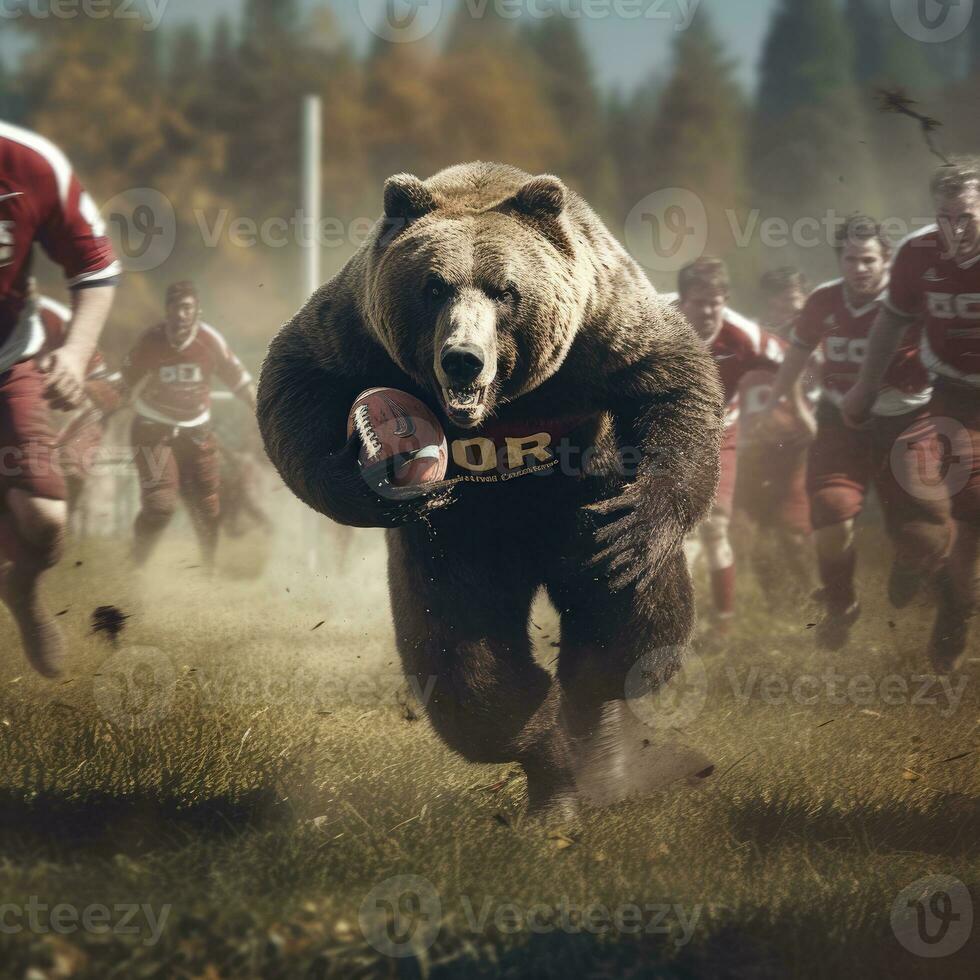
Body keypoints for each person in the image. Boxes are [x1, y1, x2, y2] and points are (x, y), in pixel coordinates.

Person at [766, 216, 951, 650]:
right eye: (851, 259)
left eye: (869, 259)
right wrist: (785, 403)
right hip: (840, 420)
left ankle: (921, 574)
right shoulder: (824, 300)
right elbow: (796, 353)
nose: (860, 268)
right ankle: (840, 604)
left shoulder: (912, 302)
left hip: (907, 420)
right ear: (839, 260)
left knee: (920, 529)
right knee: (830, 509)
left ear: (887, 260)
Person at [844, 161, 980, 671]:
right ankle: (958, 609)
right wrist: (863, 384)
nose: (955, 230)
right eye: (946, 217)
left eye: (966, 217)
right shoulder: (916, 253)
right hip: (955, 395)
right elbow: (889, 323)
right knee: (972, 512)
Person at [0, 122, 118, 676]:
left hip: (8, 363)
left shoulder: (31, 162)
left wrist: (73, 355)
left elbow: (96, 264)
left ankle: (21, 591)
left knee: (45, 520)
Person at [673, 257, 789, 637]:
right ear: (681, 298)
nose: (708, 311)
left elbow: (797, 359)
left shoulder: (744, 336)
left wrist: (787, 404)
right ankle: (671, 622)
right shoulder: (654, 319)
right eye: (698, 301)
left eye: (716, 301)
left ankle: (721, 623)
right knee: (672, 531)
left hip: (720, 436)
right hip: (667, 436)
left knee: (712, 528)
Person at [122, 281, 256, 572]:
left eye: (187, 308)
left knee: (208, 505)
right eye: (176, 307)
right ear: (167, 310)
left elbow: (240, 382)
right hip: (153, 429)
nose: (181, 315)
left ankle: (208, 567)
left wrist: (264, 413)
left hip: (197, 429)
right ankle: (136, 563)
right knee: (160, 505)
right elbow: (124, 384)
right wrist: (101, 410)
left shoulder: (210, 341)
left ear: (197, 311)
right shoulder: (151, 341)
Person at [734, 268, 815, 609]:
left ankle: (812, 596)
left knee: (793, 531)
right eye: (780, 301)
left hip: (796, 447)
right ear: (766, 302)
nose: (787, 310)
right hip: (748, 448)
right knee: (744, 532)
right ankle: (776, 603)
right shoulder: (745, 338)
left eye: (794, 302)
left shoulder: (816, 339)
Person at [34, 286, 124, 518]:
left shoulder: (60, 321)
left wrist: (69, 382)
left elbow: (105, 394)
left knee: (68, 472)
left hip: (78, 417)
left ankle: (61, 530)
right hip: (25, 422)